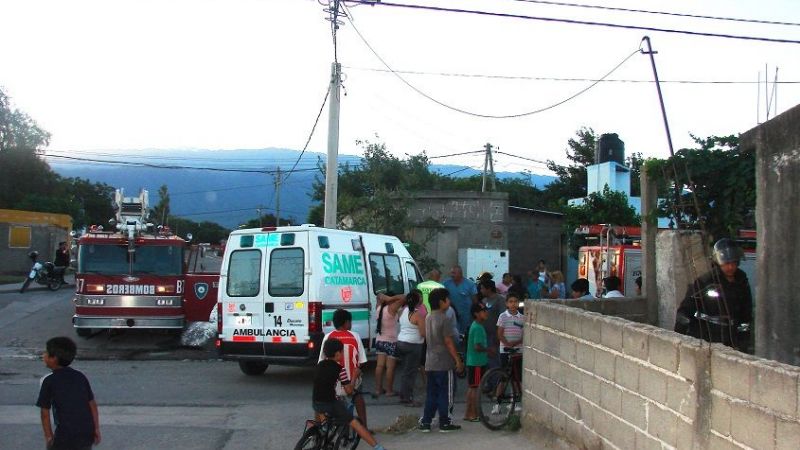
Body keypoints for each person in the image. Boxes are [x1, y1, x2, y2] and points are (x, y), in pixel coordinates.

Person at [674, 238, 753, 351]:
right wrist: (679, 338)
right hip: (706, 337)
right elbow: (686, 310)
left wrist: (743, 341)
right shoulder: (705, 281)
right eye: (726, 263)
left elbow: (746, 312)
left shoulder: (741, 281)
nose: (730, 267)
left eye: (733, 263)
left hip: (731, 338)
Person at [313, 338, 385, 450]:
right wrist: (355, 375)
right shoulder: (340, 369)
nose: (342, 354)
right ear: (337, 354)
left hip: (316, 402)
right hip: (330, 403)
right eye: (342, 352)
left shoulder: (319, 365)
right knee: (354, 422)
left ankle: (324, 429)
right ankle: (377, 447)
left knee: (323, 409)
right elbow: (349, 391)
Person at [36, 336, 101, 450]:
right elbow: (92, 405)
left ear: (54, 359)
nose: (43, 355)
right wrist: (96, 429)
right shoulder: (80, 376)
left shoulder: (48, 381)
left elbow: (45, 413)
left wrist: (49, 437)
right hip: (86, 432)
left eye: (46, 352)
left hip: (65, 434)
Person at [418, 288, 464, 433]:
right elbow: (448, 341)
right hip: (444, 362)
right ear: (441, 302)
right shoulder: (445, 318)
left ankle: (426, 421)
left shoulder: (428, 317)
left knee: (432, 393)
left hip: (430, 361)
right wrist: (457, 360)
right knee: (446, 393)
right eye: (447, 299)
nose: (449, 302)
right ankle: (445, 421)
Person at [318, 309, 369, 429]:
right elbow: (362, 361)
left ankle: (321, 427)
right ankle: (364, 427)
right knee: (358, 397)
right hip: (351, 381)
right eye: (350, 322)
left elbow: (321, 361)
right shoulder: (355, 336)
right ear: (346, 323)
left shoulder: (328, 337)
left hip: (332, 383)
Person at [395, 290, 426, 406]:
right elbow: (423, 333)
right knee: (411, 372)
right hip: (413, 345)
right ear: (418, 301)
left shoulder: (402, 310)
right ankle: (407, 398)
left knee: (405, 371)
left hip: (401, 342)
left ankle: (404, 395)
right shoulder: (418, 314)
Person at [373, 292, 404, 398]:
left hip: (380, 340)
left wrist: (384, 298)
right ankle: (389, 390)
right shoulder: (392, 308)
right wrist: (391, 298)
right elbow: (403, 297)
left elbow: (379, 297)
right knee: (390, 367)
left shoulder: (378, 307)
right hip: (391, 341)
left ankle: (378, 389)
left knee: (379, 366)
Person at [463, 303, 489, 422]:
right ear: (476, 314)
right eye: (483, 311)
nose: (485, 313)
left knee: (472, 387)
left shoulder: (476, 325)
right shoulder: (477, 327)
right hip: (477, 362)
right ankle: (473, 414)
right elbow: (477, 346)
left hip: (474, 362)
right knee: (475, 388)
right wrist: (489, 350)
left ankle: (469, 413)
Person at [443, 266, 477, 337]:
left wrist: (475, 314)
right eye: (451, 273)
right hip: (451, 314)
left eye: (454, 273)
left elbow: (475, 300)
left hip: (466, 315)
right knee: (453, 334)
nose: (452, 275)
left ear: (460, 273)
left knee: (465, 335)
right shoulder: (446, 284)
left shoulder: (470, 284)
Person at [478, 279, 504, 369]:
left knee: (494, 359)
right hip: (484, 334)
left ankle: (496, 381)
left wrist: (498, 335)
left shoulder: (500, 299)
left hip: (495, 334)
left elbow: (502, 317)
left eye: (482, 288)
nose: (481, 290)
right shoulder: (484, 300)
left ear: (488, 289)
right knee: (486, 360)